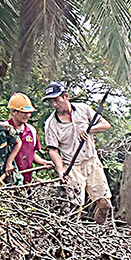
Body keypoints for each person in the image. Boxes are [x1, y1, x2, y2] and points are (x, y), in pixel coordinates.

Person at [42, 82, 114, 222]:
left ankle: (100, 231)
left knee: (105, 204)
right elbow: (53, 150)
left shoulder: (83, 109)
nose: (55, 105)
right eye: (52, 101)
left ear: (66, 96)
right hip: (72, 166)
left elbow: (106, 125)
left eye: (57, 100)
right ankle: (74, 236)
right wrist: (61, 171)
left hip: (92, 161)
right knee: (74, 208)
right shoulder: (51, 123)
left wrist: (89, 129)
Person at [3, 93, 40, 184]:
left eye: (29, 113)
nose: (27, 116)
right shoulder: (3, 130)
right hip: (8, 181)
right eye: (24, 113)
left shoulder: (31, 131)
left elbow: (32, 153)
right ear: (14, 112)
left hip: (26, 180)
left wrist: (44, 162)